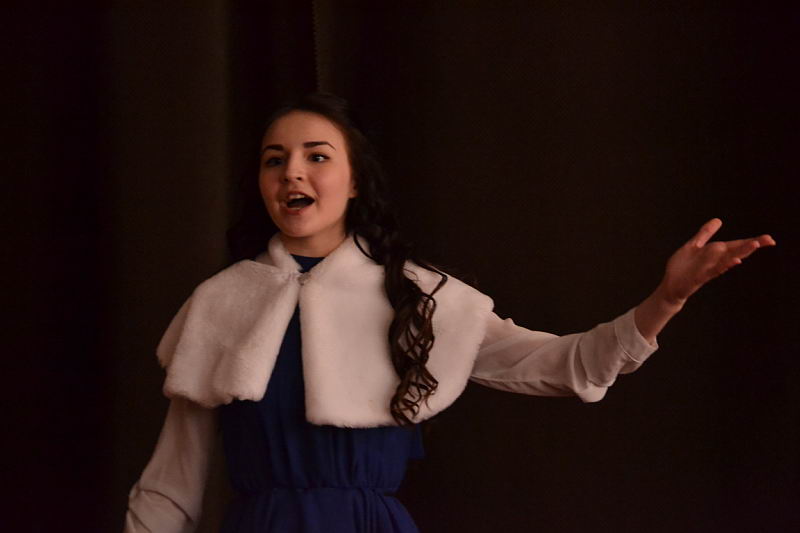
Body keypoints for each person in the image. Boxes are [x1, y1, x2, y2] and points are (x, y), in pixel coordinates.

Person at [123, 92, 775, 532]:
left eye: (317, 156)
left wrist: (666, 299)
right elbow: (171, 483)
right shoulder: (221, 302)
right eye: (275, 160)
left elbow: (572, 366)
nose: (293, 173)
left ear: (354, 180)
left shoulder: (422, 296)